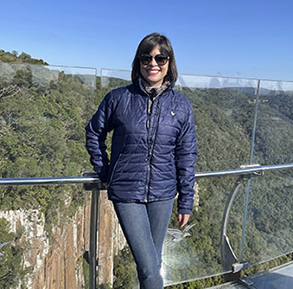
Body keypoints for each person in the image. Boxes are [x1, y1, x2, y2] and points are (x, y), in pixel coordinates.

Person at [85, 32, 197, 289]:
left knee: (152, 264)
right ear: (138, 62)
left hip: (164, 193)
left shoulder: (181, 105)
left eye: (161, 57)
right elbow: (94, 132)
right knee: (148, 266)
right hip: (126, 192)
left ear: (170, 63)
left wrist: (186, 201)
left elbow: (186, 154)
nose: (153, 63)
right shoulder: (118, 98)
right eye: (146, 57)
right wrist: (105, 172)